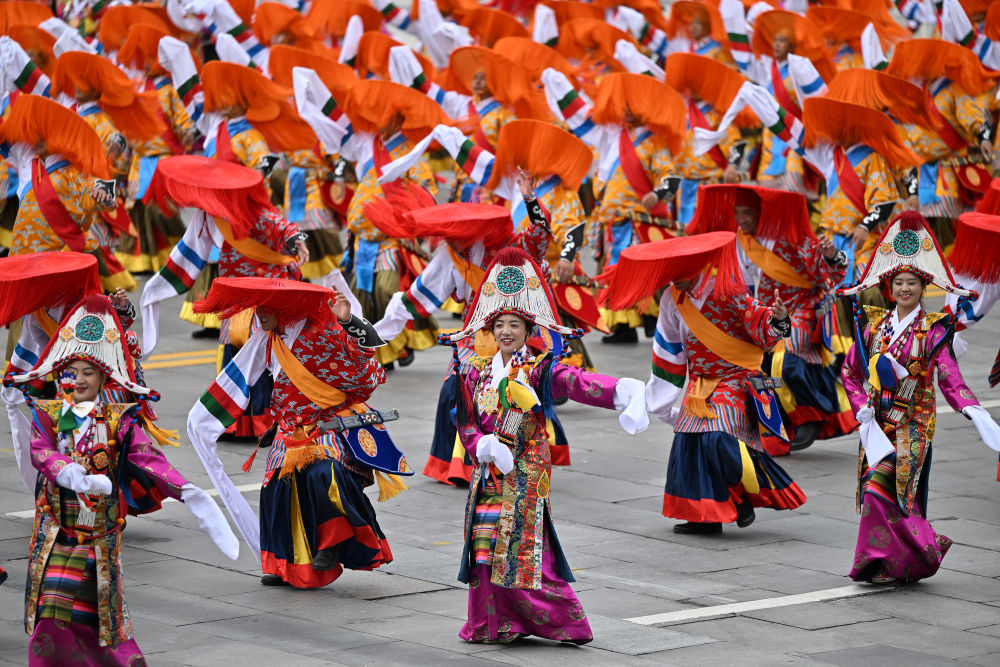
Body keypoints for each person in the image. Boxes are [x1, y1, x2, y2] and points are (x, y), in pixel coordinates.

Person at [4, 296, 237, 666]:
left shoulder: (118, 421)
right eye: (72, 371)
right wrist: (68, 471)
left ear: (103, 378)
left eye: (88, 372)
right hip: (55, 532)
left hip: (98, 537)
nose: (79, 379)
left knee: (97, 616)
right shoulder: (48, 414)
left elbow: (148, 457)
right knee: (50, 611)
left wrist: (188, 492)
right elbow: (40, 451)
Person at [444, 246, 648, 644]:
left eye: (514, 325)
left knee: (522, 551)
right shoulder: (475, 373)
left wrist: (621, 390)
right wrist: (482, 445)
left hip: (525, 472)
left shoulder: (539, 369)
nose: (506, 332)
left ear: (527, 331)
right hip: (487, 475)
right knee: (485, 547)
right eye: (499, 325)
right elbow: (465, 422)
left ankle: (565, 623)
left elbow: (577, 381)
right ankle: (494, 624)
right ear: (490, 330)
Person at [187, 277, 405, 588]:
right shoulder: (266, 338)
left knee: (325, 473)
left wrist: (347, 322)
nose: (259, 313)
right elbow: (238, 375)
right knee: (276, 490)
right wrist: (203, 416)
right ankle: (283, 566)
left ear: (286, 308)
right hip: (288, 427)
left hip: (327, 423)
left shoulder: (323, 331)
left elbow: (367, 374)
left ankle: (333, 542)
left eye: (267, 308)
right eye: (258, 307)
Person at [600, 232, 807, 534]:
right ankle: (705, 517)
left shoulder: (725, 289)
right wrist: (659, 401)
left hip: (735, 378)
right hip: (700, 384)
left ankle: (740, 496)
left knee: (717, 436)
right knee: (689, 442)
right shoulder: (671, 299)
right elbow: (668, 350)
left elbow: (759, 321)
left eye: (680, 272)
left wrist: (779, 320)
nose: (675, 279)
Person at [840, 211, 1000, 583]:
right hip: (877, 425)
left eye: (912, 283)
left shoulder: (933, 331)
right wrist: (860, 406)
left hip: (912, 426)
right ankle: (901, 559)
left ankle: (889, 560)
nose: (905, 289)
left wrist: (973, 410)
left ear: (923, 287)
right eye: (899, 282)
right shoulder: (875, 326)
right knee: (879, 493)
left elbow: (949, 377)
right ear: (890, 287)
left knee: (885, 492)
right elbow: (850, 370)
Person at [687, 184, 855, 453]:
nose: (741, 219)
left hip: (804, 307)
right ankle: (785, 425)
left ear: (760, 213)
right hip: (770, 309)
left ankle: (811, 415)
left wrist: (831, 255)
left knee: (784, 361)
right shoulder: (740, 240)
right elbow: (741, 284)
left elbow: (829, 275)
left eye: (747, 213)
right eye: (737, 212)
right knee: (759, 365)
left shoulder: (792, 237)